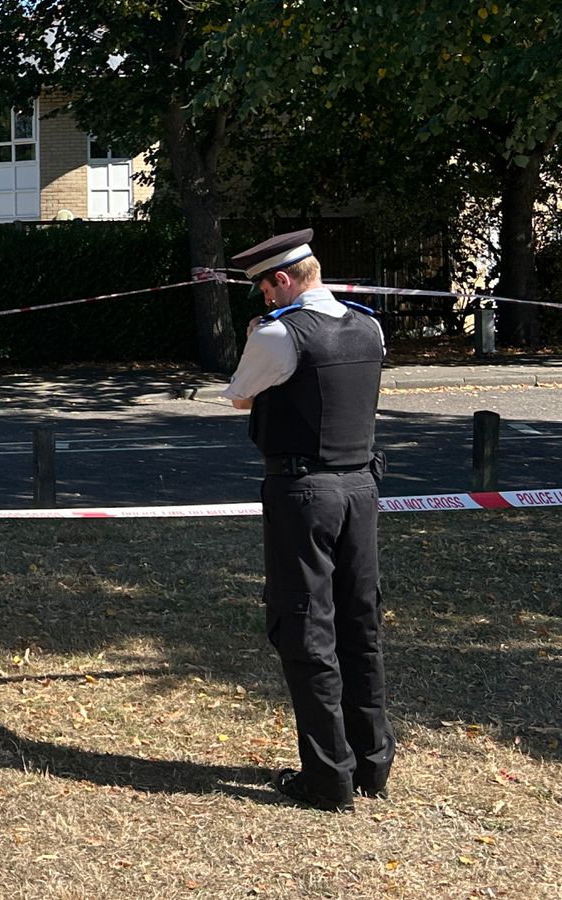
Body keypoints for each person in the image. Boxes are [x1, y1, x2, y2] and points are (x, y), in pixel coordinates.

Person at [221, 228, 394, 812]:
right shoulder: (369, 325)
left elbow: (240, 396)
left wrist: (255, 338)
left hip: (304, 491)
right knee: (359, 621)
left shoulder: (276, 333)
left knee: (305, 626)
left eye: (265, 290)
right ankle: (372, 764)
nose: (265, 302)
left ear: (284, 280)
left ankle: (327, 777)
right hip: (361, 489)